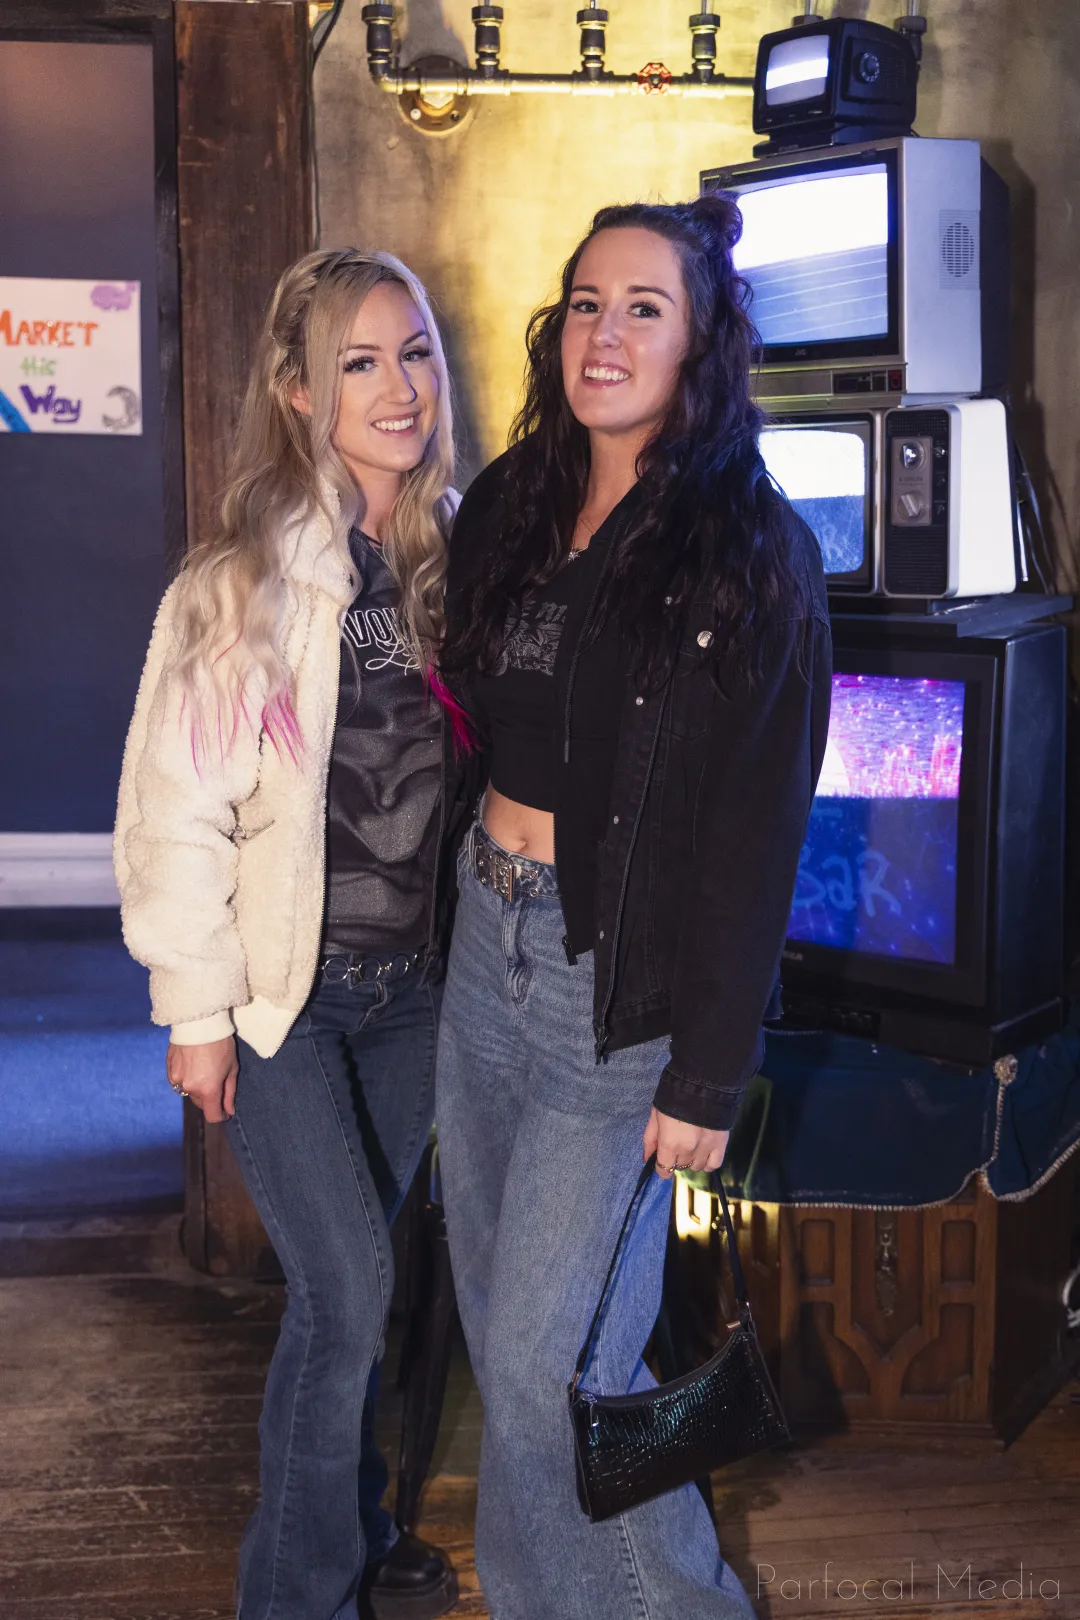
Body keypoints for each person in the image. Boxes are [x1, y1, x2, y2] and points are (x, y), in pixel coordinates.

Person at [434, 196, 832, 1619]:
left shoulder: (753, 553)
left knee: (551, 1362)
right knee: (512, 1346)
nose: (605, 334)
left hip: (617, 991)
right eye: (586, 304)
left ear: (701, 342)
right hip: (485, 944)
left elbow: (756, 835)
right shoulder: (511, 501)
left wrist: (708, 1072)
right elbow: (460, 721)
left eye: (644, 308)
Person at [114, 248, 467, 1620]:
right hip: (287, 1003)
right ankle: (295, 1594)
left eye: (415, 352)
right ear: (300, 392)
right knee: (350, 1285)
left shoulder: (458, 562)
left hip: (421, 999)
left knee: (353, 1293)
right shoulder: (240, 586)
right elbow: (174, 812)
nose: (400, 386)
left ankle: (357, 1533)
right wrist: (194, 1009)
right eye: (359, 361)